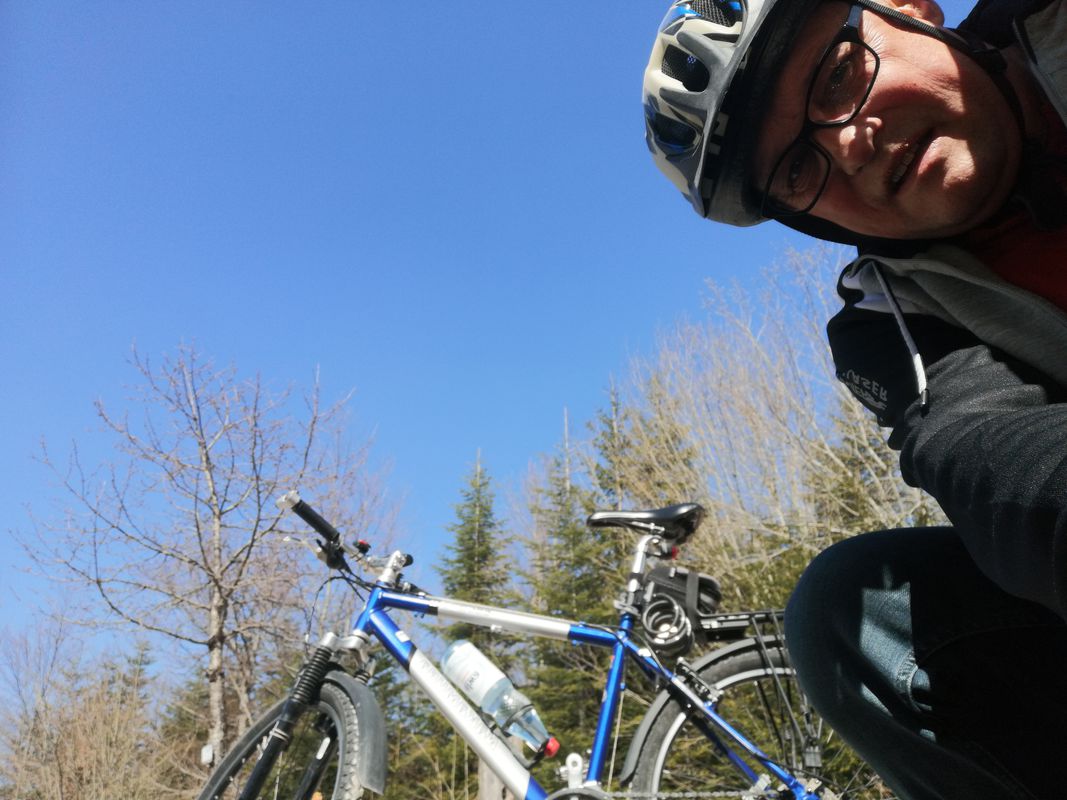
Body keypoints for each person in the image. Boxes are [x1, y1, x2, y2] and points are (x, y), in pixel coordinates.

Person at [642, 0, 1067, 797]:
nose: (850, 145)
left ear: (910, 9)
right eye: (798, 171)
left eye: (837, 75)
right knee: (849, 613)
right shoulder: (888, 324)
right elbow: (983, 452)